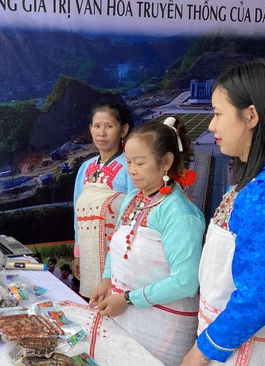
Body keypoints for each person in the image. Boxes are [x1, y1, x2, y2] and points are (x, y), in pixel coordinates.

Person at [181, 60, 265, 366]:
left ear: (250, 115)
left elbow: (256, 299)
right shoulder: (251, 184)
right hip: (229, 345)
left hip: (250, 354)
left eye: (217, 114)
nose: (211, 125)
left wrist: (201, 352)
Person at [90, 117, 205, 366]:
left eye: (140, 163)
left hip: (164, 327)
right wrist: (107, 281)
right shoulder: (133, 199)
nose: (131, 170)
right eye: (129, 162)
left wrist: (128, 299)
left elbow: (185, 282)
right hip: (125, 315)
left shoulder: (180, 214)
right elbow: (118, 245)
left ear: (166, 162)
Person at [73, 99, 135, 298]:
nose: (102, 132)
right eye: (97, 126)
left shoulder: (130, 167)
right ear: (90, 128)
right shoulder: (85, 168)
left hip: (118, 252)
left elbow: (134, 212)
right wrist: (78, 253)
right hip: (89, 251)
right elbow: (77, 212)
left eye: (109, 126)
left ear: (123, 130)